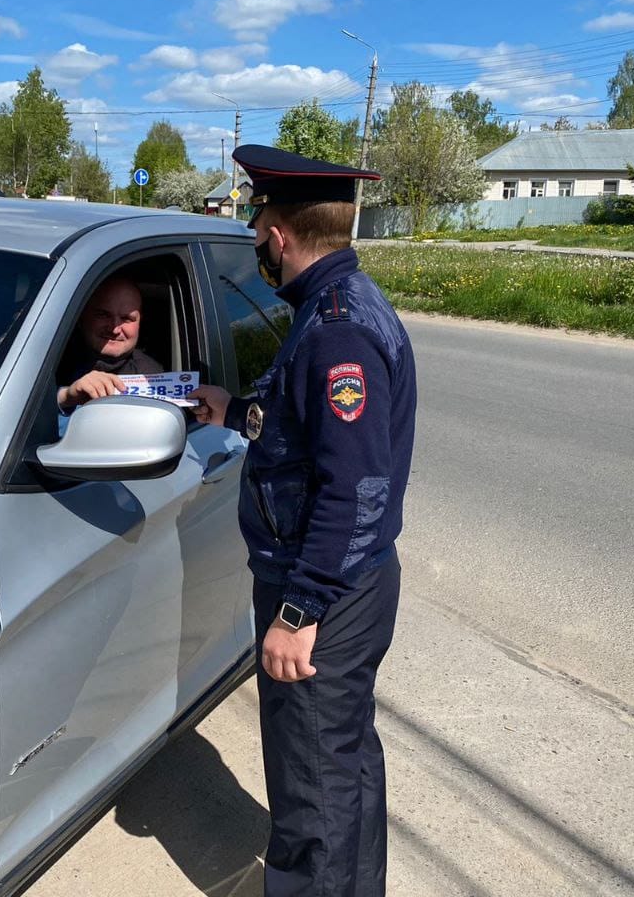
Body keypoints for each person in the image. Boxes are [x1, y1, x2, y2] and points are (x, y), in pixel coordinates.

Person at [188, 144, 417, 897]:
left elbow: (354, 491)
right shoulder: (333, 306)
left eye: (256, 220)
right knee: (343, 768)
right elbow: (305, 432)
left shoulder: (337, 330)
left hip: (327, 592)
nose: (253, 238)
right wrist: (239, 410)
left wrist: (298, 609)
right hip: (345, 586)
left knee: (314, 787)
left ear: (280, 233)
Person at [56, 274, 164, 411]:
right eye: (103, 315)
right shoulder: (50, 358)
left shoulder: (152, 377)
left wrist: (197, 406)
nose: (114, 328)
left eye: (126, 318)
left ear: (140, 323)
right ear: (82, 315)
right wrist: (65, 397)